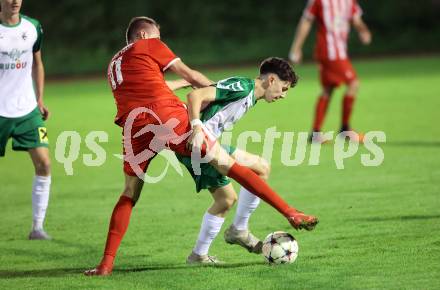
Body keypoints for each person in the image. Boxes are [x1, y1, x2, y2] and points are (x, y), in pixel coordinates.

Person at [85, 16, 317, 276]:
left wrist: (190, 89)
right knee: (227, 170)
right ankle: (288, 212)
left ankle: (106, 264)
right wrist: (203, 103)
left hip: (134, 126)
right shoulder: (149, 45)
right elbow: (190, 76)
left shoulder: (115, 63)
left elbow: (149, 87)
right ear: (143, 36)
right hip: (167, 117)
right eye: (157, 39)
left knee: (130, 192)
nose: (161, 45)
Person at [179, 57, 302, 264]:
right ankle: (200, 254)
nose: (283, 95)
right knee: (225, 200)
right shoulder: (243, 87)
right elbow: (195, 96)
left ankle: (238, 229)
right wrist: (197, 128)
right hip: (195, 144)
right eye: (284, 87)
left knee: (261, 168)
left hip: (209, 142)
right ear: (271, 80)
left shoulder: (250, 94)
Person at [0, 0, 51, 240]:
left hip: (27, 110)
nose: (14, 1)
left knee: (45, 163)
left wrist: (39, 99)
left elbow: (37, 64)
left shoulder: (33, 27)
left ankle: (38, 227)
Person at [288, 0, 372, 143]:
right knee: (353, 84)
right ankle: (345, 130)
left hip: (339, 52)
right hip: (329, 52)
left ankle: (315, 134)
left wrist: (363, 30)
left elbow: (356, 20)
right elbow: (306, 21)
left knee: (328, 89)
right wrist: (296, 48)